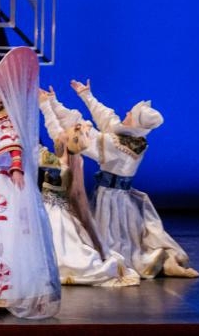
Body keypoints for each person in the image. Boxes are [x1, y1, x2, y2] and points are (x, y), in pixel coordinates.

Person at [0, 22, 60, 319]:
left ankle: (11, 289)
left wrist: (16, 167)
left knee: (4, 231)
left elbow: (12, 141)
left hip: (0, 183)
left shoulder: (6, 118)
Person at [63, 79, 199, 279]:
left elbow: (84, 137)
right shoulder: (136, 140)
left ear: (135, 123)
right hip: (123, 196)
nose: (126, 113)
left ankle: (136, 263)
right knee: (130, 239)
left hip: (110, 198)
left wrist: (51, 107)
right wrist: (86, 95)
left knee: (111, 241)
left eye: (130, 114)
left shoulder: (116, 145)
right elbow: (107, 118)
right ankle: (166, 261)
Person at [34, 91, 141, 287]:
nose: (62, 131)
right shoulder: (66, 158)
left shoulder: (58, 162)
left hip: (55, 217)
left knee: (60, 251)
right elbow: (55, 131)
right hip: (50, 212)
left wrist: (44, 107)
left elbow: (48, 139)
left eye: (68, 131)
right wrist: (47, 104)